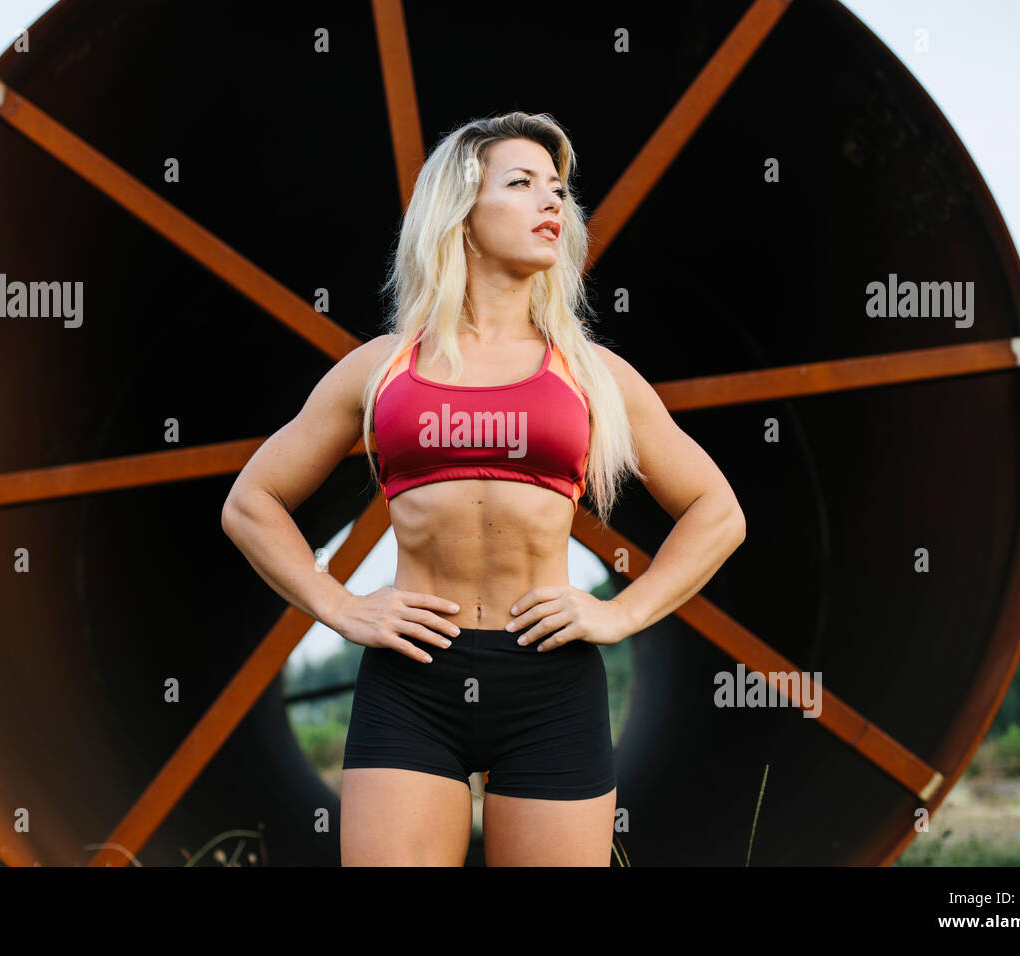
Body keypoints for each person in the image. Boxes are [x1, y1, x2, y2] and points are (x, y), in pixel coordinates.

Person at [221, 112, 746, 866]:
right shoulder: (382, 368)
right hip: (410, 683)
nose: (552, 205)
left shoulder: (592, 374)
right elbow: (251, 503)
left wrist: (624, 612)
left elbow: (717, 512)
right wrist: (339, 607)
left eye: (559, 190)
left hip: (551, 684)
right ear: (461, 212)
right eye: (523, 184)